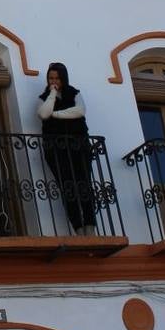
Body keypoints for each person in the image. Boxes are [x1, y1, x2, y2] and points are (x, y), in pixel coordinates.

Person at [37, 62, 100, 236]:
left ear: (63, 78)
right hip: (56, 151)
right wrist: (52, 94)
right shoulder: (44, 98)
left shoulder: (74, 93)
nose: (54, 81)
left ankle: (90, 226)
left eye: (57, 78)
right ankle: (78, 228)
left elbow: (80, 111)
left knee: (84, 185)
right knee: (67, 189)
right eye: (51, 78)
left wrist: (56, 115)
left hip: (79, 147)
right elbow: (43, 114)